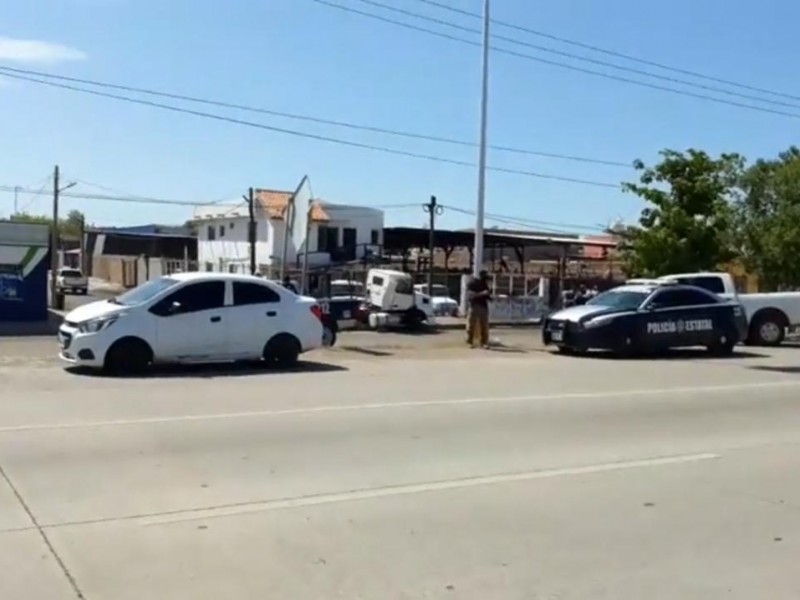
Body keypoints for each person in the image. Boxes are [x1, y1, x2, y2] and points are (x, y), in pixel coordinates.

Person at [466, 270, 492, 348]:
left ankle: (484, 342)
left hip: (483, 306)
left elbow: (487, 295)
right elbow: (470, 295)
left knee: (484, 325)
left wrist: (489, 295)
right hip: (474, 306)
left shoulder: (484, 284)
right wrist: (482, 293)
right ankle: (470, 341)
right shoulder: (472, 283)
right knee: (471, 325)